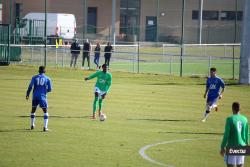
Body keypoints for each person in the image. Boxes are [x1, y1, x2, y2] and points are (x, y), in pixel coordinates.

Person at [220, 102, 249, 167]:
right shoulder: (245, 119)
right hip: (242, 146)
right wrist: (247, 143)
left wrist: (222, 147)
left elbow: (226, 134)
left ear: (232, 108)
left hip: (232, 146)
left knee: (230, 165)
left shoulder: (230, 119)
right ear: (240, 109)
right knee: (240, 165)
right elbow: (247, 133)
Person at [26, 66, 52, 131]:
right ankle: (45, 127)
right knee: (45, 112)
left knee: (33, 110)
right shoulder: (47, 78)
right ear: (44, 71)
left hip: (35, 96)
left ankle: (32, 125)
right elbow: (50, 89)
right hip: (42, 97)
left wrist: (27, 94)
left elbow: (30, 86)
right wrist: (45, 91)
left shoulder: (34, 77)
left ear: (39, 71)